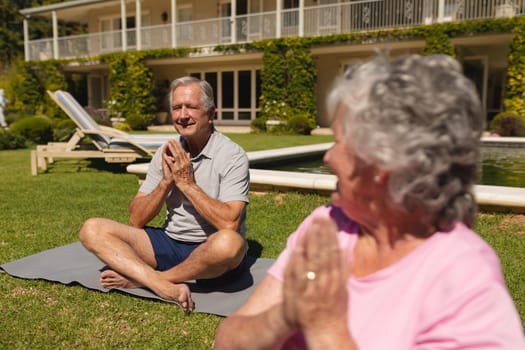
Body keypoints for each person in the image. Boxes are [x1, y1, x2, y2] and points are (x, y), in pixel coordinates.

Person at [214, 54, 525, 349]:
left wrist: (326, 326)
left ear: (381, 165)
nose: (327, 157)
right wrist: (283, 317)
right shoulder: (330, 225)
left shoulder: (463, 278)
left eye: (338, 143)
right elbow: (226, 341)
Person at [79, 77, 250, 313]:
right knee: (92, 229)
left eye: (191, 107)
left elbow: (229, 222)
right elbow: (137, 219)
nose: (182, 115)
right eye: (177, 108)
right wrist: (166, 183)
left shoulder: (232, 155)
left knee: (230, 244)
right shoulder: (165, 152)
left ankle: (146, 280)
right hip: (169, 243)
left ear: (210, 114)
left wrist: (188, 184)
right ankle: (159, 283)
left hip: (209, 250)